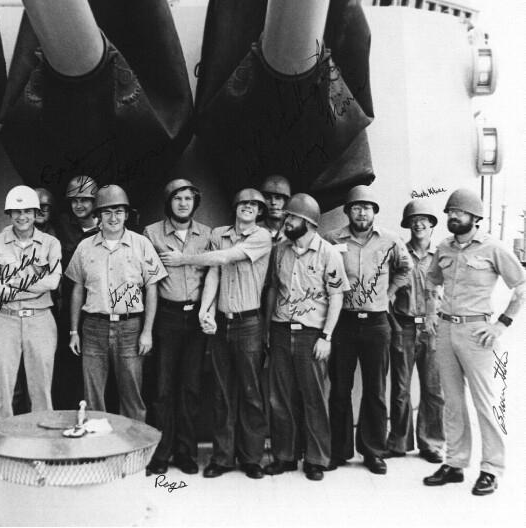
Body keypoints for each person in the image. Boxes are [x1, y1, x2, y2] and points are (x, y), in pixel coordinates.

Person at [160, 188, 272, 479]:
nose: (248, 208)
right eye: (243, 203)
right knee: (222, 392)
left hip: (248, 323)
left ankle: (251, 458)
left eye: (254, 205)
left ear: (260, 211)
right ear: (234, 206)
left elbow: (224, 259)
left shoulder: (262, 236)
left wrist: (183, 259)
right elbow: (214, 273)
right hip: (223, 323)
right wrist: (205, 310)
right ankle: (222, 459)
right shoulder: (219, 233)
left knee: (250, 393)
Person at [423, 188, 525, 496]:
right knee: (452, 403)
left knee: (487, 403)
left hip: (477, 333)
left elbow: (520, 285)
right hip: (445, 331)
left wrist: (501, 325)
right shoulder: (443, 247)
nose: (453, 216)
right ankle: (455, 463)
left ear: (475, 218)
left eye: (459, 213)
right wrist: (430, 310)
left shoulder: (493, 248)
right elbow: (430, 280)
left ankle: (491, 468)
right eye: (450, 212)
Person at [324, 185, 412, 475]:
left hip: (376, 323)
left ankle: (373, 451)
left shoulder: (390, 240)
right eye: (356, 207)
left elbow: (405, 268)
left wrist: (389, 294)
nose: (362, 212)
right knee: (339, 388)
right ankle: (338, 450)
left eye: (367, 207)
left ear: (375, 211)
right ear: (348, 211)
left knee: (375, 389)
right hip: (344, 323)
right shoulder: (333, 239)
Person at [263, 194, 348, 481]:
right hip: (280, 330)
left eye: (292, 218)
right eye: (287, 218)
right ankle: (284, 456)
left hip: (311, 335)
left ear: (309, 223)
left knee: (313, 398)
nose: (286, 222)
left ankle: (316, 459)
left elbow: (336, 297)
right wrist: (267, 328)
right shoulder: (280, 250)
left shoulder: (328, 253)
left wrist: (326, 337)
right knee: (280, 398)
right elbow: (274, 289)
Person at [67, 185, 167, 422]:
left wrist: (147, 332)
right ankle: (98, 453)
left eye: (119, 212)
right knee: (93, 397)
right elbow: (77, 289)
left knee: (132, 395)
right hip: (93, 327)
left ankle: (133, 455)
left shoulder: (141, 244)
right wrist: (74, 331)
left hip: (130, 328)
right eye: (108, 212)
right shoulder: (85, 247)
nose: (114, 218)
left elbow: (152, 288)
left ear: (126, 214)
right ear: (98, 216)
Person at [143, 179, 212, 476]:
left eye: (188, 198)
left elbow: (213, 275)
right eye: (177, 198)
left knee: (191, 387)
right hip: (167, 317)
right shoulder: (152, 233)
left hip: (195, 318)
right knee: (162, 388)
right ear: (168, 202)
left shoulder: (206, 235)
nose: (183, 203)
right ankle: (161, 453)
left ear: (195, 202)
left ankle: (186, 452)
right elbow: (148, 282)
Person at [0, 185, 62, 423]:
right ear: (9, 213)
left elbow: (53, 282)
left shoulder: (50, 244)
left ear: (36, 213)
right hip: (5, 319)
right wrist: (32, 285)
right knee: (3, 392)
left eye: (27, 210)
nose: (22, 216)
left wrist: (11, 284)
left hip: (40, 320)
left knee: (42, 392)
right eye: (16, 211)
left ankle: (40, 451)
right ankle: (1, 452)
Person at [387, 200, 445, 462]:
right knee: (400, 388)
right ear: (408, 224)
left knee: (433, 388)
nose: (419, 223)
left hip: (433, 328)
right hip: (405, 326)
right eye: (414, 219)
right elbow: (385, 292)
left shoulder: (443, 254)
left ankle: (431, 443)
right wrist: (394, 325)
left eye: (424, 219)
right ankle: (398, 442)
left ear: (432, 224)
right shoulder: (398, 253)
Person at [52, 175, 101, 409]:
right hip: (66, 309)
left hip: (96, 308)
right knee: (66, 368)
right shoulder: (62, 225)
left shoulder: (106, 227)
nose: (79, 205)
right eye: (74, 200)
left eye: (85, 200)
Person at [258, 174, 291, 244]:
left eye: (278, 198)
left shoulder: (296, 231)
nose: (273, 202)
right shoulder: (252, 231)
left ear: (286, 201)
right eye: (268, 198)